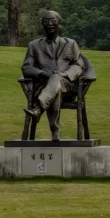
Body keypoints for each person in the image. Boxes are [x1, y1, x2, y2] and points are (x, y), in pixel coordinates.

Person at [21, 9, 85, 142]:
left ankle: (39, 108)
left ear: (59, 24)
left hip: (67, 86)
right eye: (46, 21)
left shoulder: (70, 43)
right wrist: (43, 74)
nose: (50, 24)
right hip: (43, 86)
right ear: (42, 25)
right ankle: (55, 131)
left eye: (53, 21)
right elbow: (26, 68)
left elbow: (79, 65)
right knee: (55, 88)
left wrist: (65, 74)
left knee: (57, 79)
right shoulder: (34, 45)